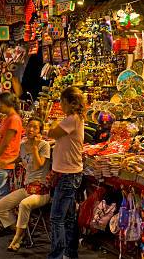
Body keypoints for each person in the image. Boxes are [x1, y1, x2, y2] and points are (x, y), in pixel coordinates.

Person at [0, 118, 51, 252]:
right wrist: (0, 161)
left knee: (24, 204)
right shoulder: (23, 145)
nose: (31, 129)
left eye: (35, 127)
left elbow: (37, 166)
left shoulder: (44, 145)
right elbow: (17, 158)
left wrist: (34, 147)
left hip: (41, 191)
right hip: (27, 188)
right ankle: (19, 230)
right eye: (29, 126)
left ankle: (18, 237)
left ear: (40, 131)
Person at [47, 86, 85, 259]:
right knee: (68, 218)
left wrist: (53, 123)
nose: (60, 104)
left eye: (61, 101)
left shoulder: (71, 120)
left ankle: (57, 255)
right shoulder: (75, 119)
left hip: (68, 175)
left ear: (69, 102)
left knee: (56, 218)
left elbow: (52, 132)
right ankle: (70, 253)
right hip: (70, 173)